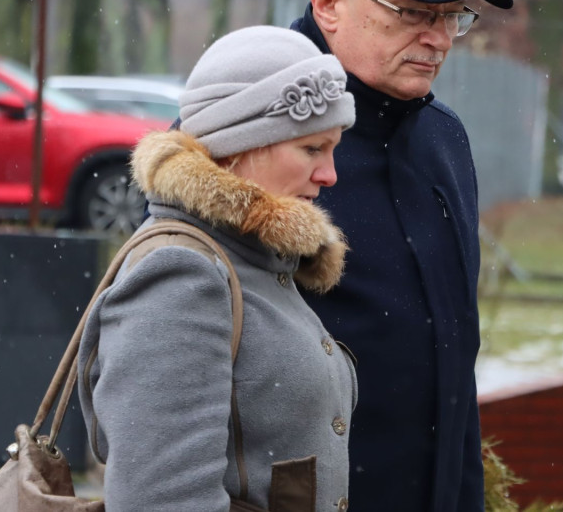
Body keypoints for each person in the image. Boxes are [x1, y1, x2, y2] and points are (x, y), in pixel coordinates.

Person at [292, 0, 514, 512]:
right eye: (414, 11)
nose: (439, 38)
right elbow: (169, 375)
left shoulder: (443, 138)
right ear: (328, 3)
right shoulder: (250, 140)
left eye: (454, 16)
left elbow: (453, 369)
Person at [77, 26, 358, 512]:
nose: (329, 174)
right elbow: (159, 500)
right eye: (312, 149)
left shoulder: (253, 258)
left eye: (333, 149)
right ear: (237, 146)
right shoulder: (181, 274)